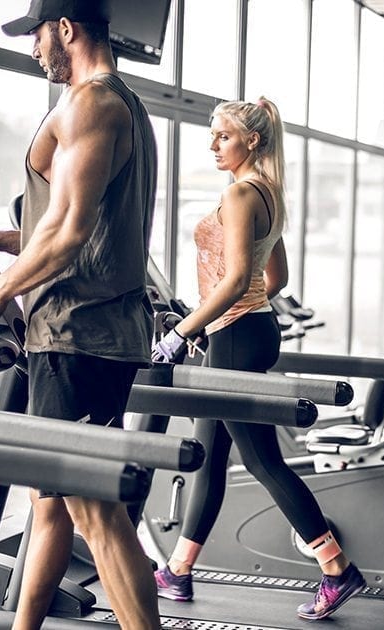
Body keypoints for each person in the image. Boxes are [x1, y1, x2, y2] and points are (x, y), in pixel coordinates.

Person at [0, 1, 159, 628]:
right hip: (94, 332)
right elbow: (74, 222)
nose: (32, 49)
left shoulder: (89, 104)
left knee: (94, 510)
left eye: (35, 34)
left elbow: (70, 230)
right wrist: (1, 240)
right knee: (56, 503)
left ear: (66, 28)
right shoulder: (126, 106)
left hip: (78, 334)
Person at [150, 98, 366, 621]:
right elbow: (276, 279)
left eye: (222, 135)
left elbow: (233, 277)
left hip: (232, 337)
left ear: (251, 141)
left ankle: (336, 568)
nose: (212, 144)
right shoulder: (269, 193)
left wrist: (184, 330)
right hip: (247, 329)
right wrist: (232, 314)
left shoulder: (241, 194)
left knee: (261, 460)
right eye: (212, 133)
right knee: (208, 455)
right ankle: (178, 570)